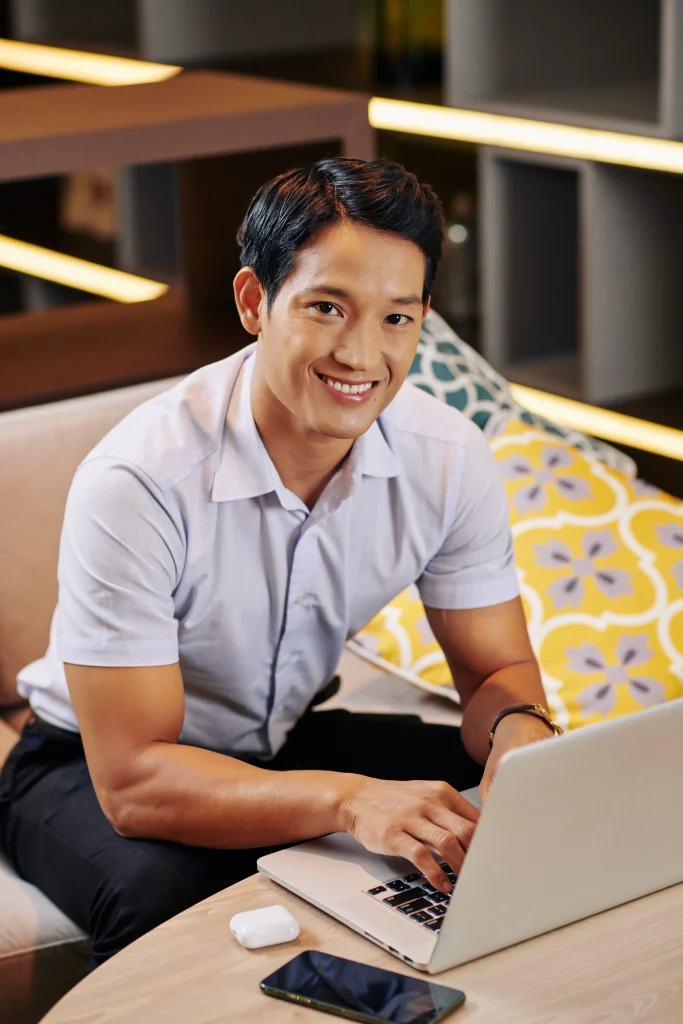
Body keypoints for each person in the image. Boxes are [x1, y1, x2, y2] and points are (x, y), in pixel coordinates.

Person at [0, 158, 560, 970]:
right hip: (83, 765)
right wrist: (347, 800)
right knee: (156, 896)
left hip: (283, 739)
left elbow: (498, 671)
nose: (361, 355)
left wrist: (521, 735)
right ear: (254, 302)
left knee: (527, 804)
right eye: (326, 308)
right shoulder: (140, 479)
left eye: (396, 318)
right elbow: (134, 781)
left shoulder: (447, 457)